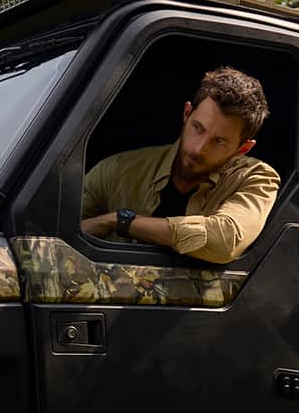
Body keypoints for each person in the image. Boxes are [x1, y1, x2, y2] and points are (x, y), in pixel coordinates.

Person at [80, 65, 280, 265]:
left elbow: (225, 241)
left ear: (243, 148)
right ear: (186, 114)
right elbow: (56, 225)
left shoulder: (256, 178)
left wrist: (120, 221)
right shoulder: (117, 169)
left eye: (218, 141)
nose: (199, 149)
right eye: (197, 128)